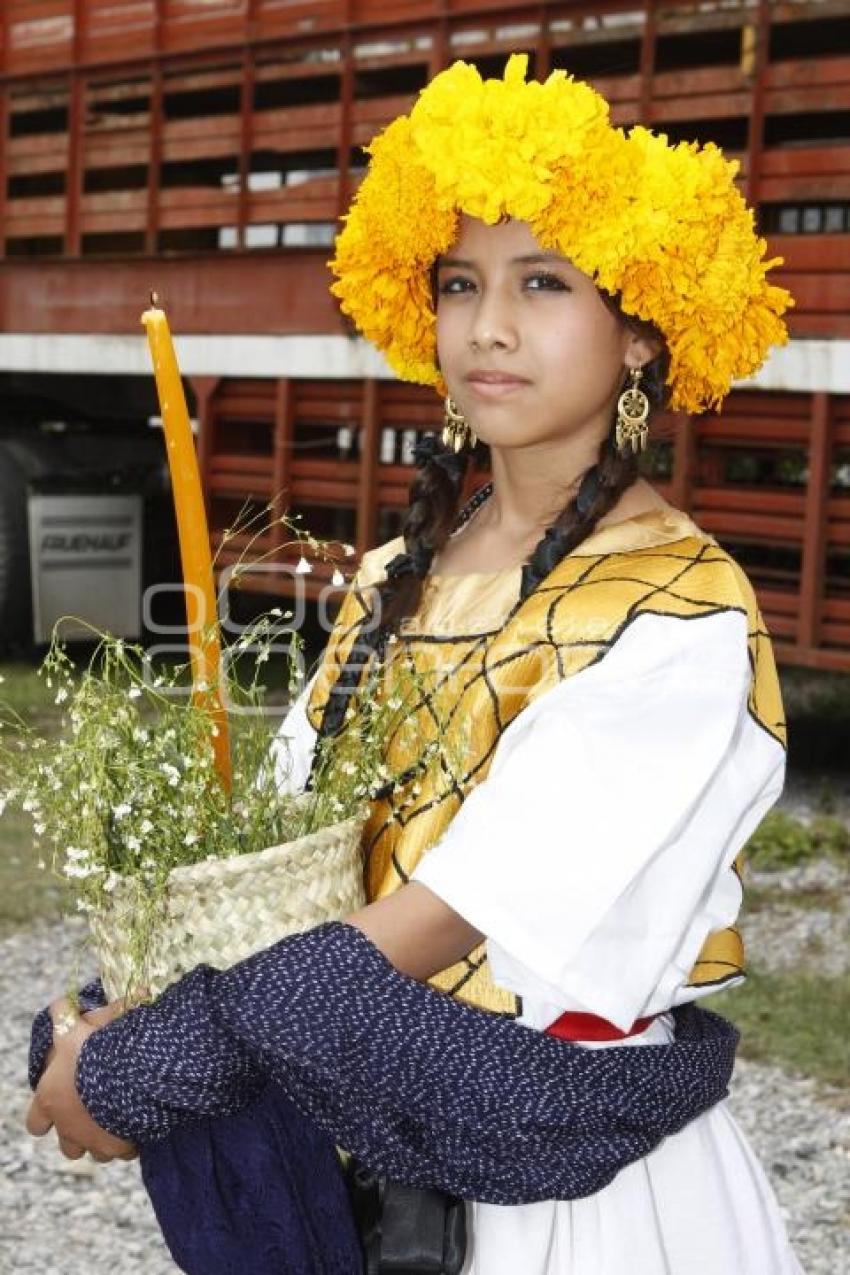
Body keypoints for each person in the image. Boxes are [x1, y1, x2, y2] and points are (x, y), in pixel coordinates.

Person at [27, 54, 802, 1273]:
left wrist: (162, 1057)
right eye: (459, 283)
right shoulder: (401, 568)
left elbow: (451, 917)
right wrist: (122, 997)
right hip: (362, 1156)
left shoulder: (679, 619)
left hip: (571, 1195)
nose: (488, 326)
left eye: (543, 283)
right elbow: (284, 860)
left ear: (642, 332)